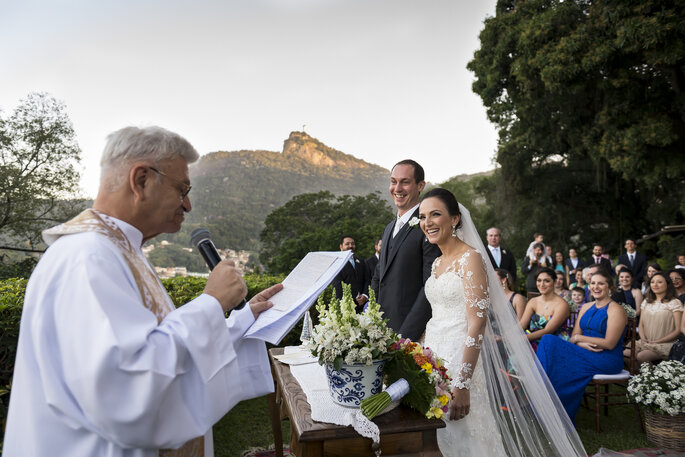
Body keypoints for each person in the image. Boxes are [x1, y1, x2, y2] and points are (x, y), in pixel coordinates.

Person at [3, 126, 284, 457]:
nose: (188, 204)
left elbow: (154, 342)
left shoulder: (119, 252)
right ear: (141, 181)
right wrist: (211, 302)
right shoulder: (87, 257)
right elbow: (123, 390)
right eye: (182, 189)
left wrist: (241, 320)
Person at [418, 188, 585, 457]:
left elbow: (477, 323)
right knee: (435, 439)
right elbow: (436, 314)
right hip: (433, 356)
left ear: (455, 219)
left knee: (463, 436)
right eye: (423, 216)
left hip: (461, 358)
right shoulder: (436, 263)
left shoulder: (471, 258)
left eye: (435, 214)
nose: (427, 222)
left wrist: (462, 384)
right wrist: (419, 352)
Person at [537, 270, 628, 425]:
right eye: (593, 283)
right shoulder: (586, 307)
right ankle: (545, 403)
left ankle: (539, 395)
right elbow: (573, 337)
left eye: (601, 283)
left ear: (610, 287)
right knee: (551, 350)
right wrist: (581, 343)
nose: (596, 287)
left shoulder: (616, 310)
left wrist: (580, 339)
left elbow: (609, 343)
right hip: (585, 351)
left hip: (607, 358)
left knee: (548, 341)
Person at [370, 160, 441, 340]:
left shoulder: (429, 226)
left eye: (405, 182)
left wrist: (406, 337)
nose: (397, 188)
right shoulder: (388, 229)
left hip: (411, 336)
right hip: (382, 331)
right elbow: (379, 277)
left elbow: (430, 286)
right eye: (393, 181)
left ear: (420, 185)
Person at [629, 272, 683, 363]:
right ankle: (640, 376)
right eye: (652, 282)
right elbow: (641, 324)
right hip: (645, 342)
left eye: (659, 282)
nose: (655, 285)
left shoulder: (675, 303)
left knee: (642, 356)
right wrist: (643, 338)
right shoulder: (646, 301)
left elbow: (678, 330)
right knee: (626, 354)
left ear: (667, 284)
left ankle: (654, 376)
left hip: (665, 343)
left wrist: (658, 341)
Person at [519, 268, 571, 351]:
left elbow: (548, 330)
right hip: (531, 339)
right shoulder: (533, 301)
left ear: (554, 282)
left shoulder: (562, 305)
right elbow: (521, 325)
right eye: (539, 280)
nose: (542, 284)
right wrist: (504, 337)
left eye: (546, 281)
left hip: (553, 344)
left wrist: (521, 338)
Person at [331, 235, 369, 311]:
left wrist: (365, 295)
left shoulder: (361, 262)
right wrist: (351, 301)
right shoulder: (336, 263)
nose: (350, 246)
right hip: (345, 306)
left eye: (352, 244)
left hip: (363, 305)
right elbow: (337, 286)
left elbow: (367, 280)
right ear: (341, 246)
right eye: (347, 244)